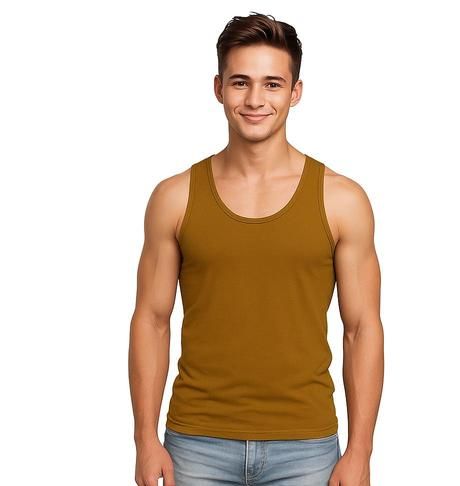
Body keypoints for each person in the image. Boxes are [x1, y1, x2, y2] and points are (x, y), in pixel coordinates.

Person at [129, 11, 384, 486]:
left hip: (307, 448)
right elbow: (151, 319)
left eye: (272, 84)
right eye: (240, 82)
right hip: (196, 443)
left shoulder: (342, 200)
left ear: (295, 92)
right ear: (218, 88)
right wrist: (145, 439)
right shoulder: (174, 198)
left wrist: (361, 451)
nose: (254, 100)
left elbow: (362, 328)